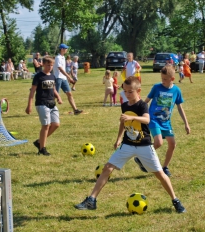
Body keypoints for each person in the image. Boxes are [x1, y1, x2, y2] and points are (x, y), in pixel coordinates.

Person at [75, 76, 186, 214]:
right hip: (127, 144)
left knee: (160, 174)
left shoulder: (142, 105)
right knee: (107, 168)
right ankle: (91, 200)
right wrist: (119, 138)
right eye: (125, 91)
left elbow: (146, 119)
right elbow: (123, 121)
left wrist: (132, 117)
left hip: (144, 146)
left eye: (130, 92)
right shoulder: (125, 105)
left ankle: (175, 200)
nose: (127, 94)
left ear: (138, 90)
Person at [134, 65, 190, 177]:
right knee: (159, 142)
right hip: (153, 119)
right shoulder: (156, 87)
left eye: (165, 79)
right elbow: (146, 101)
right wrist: (139, 114)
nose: (162, 81)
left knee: (172, 144)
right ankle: (142, 157)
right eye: (162, 78)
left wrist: (186, 124)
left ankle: (164, 167)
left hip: (166, 122)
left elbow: (180, 108)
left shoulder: (176, 91)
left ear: (172, 79)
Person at [25, 56, 63, 156]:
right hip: (41, 103)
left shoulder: (52, 76)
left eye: (51, 65)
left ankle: (39, 142)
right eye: (48, 65)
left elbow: (53, 89)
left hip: (52, 103)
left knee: (56, 124)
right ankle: (42, 148)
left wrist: (58, 97)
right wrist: (29, 105)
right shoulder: (38, 76)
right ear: (43, 64)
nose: (50, 67)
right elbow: (32, 91)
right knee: (46, 126)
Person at [53, 43, 83, 115]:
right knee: (55, 95)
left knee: (69, 93)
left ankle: (75, 110)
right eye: (66, 48)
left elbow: (63, 69)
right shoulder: (58, 58)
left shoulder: (63, 57)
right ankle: (50, 110)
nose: (67, 50)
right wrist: (69, 77)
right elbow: (60, 69)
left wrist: (67, 77)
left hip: (63, 78)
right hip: (58, 78)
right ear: (62, 49)